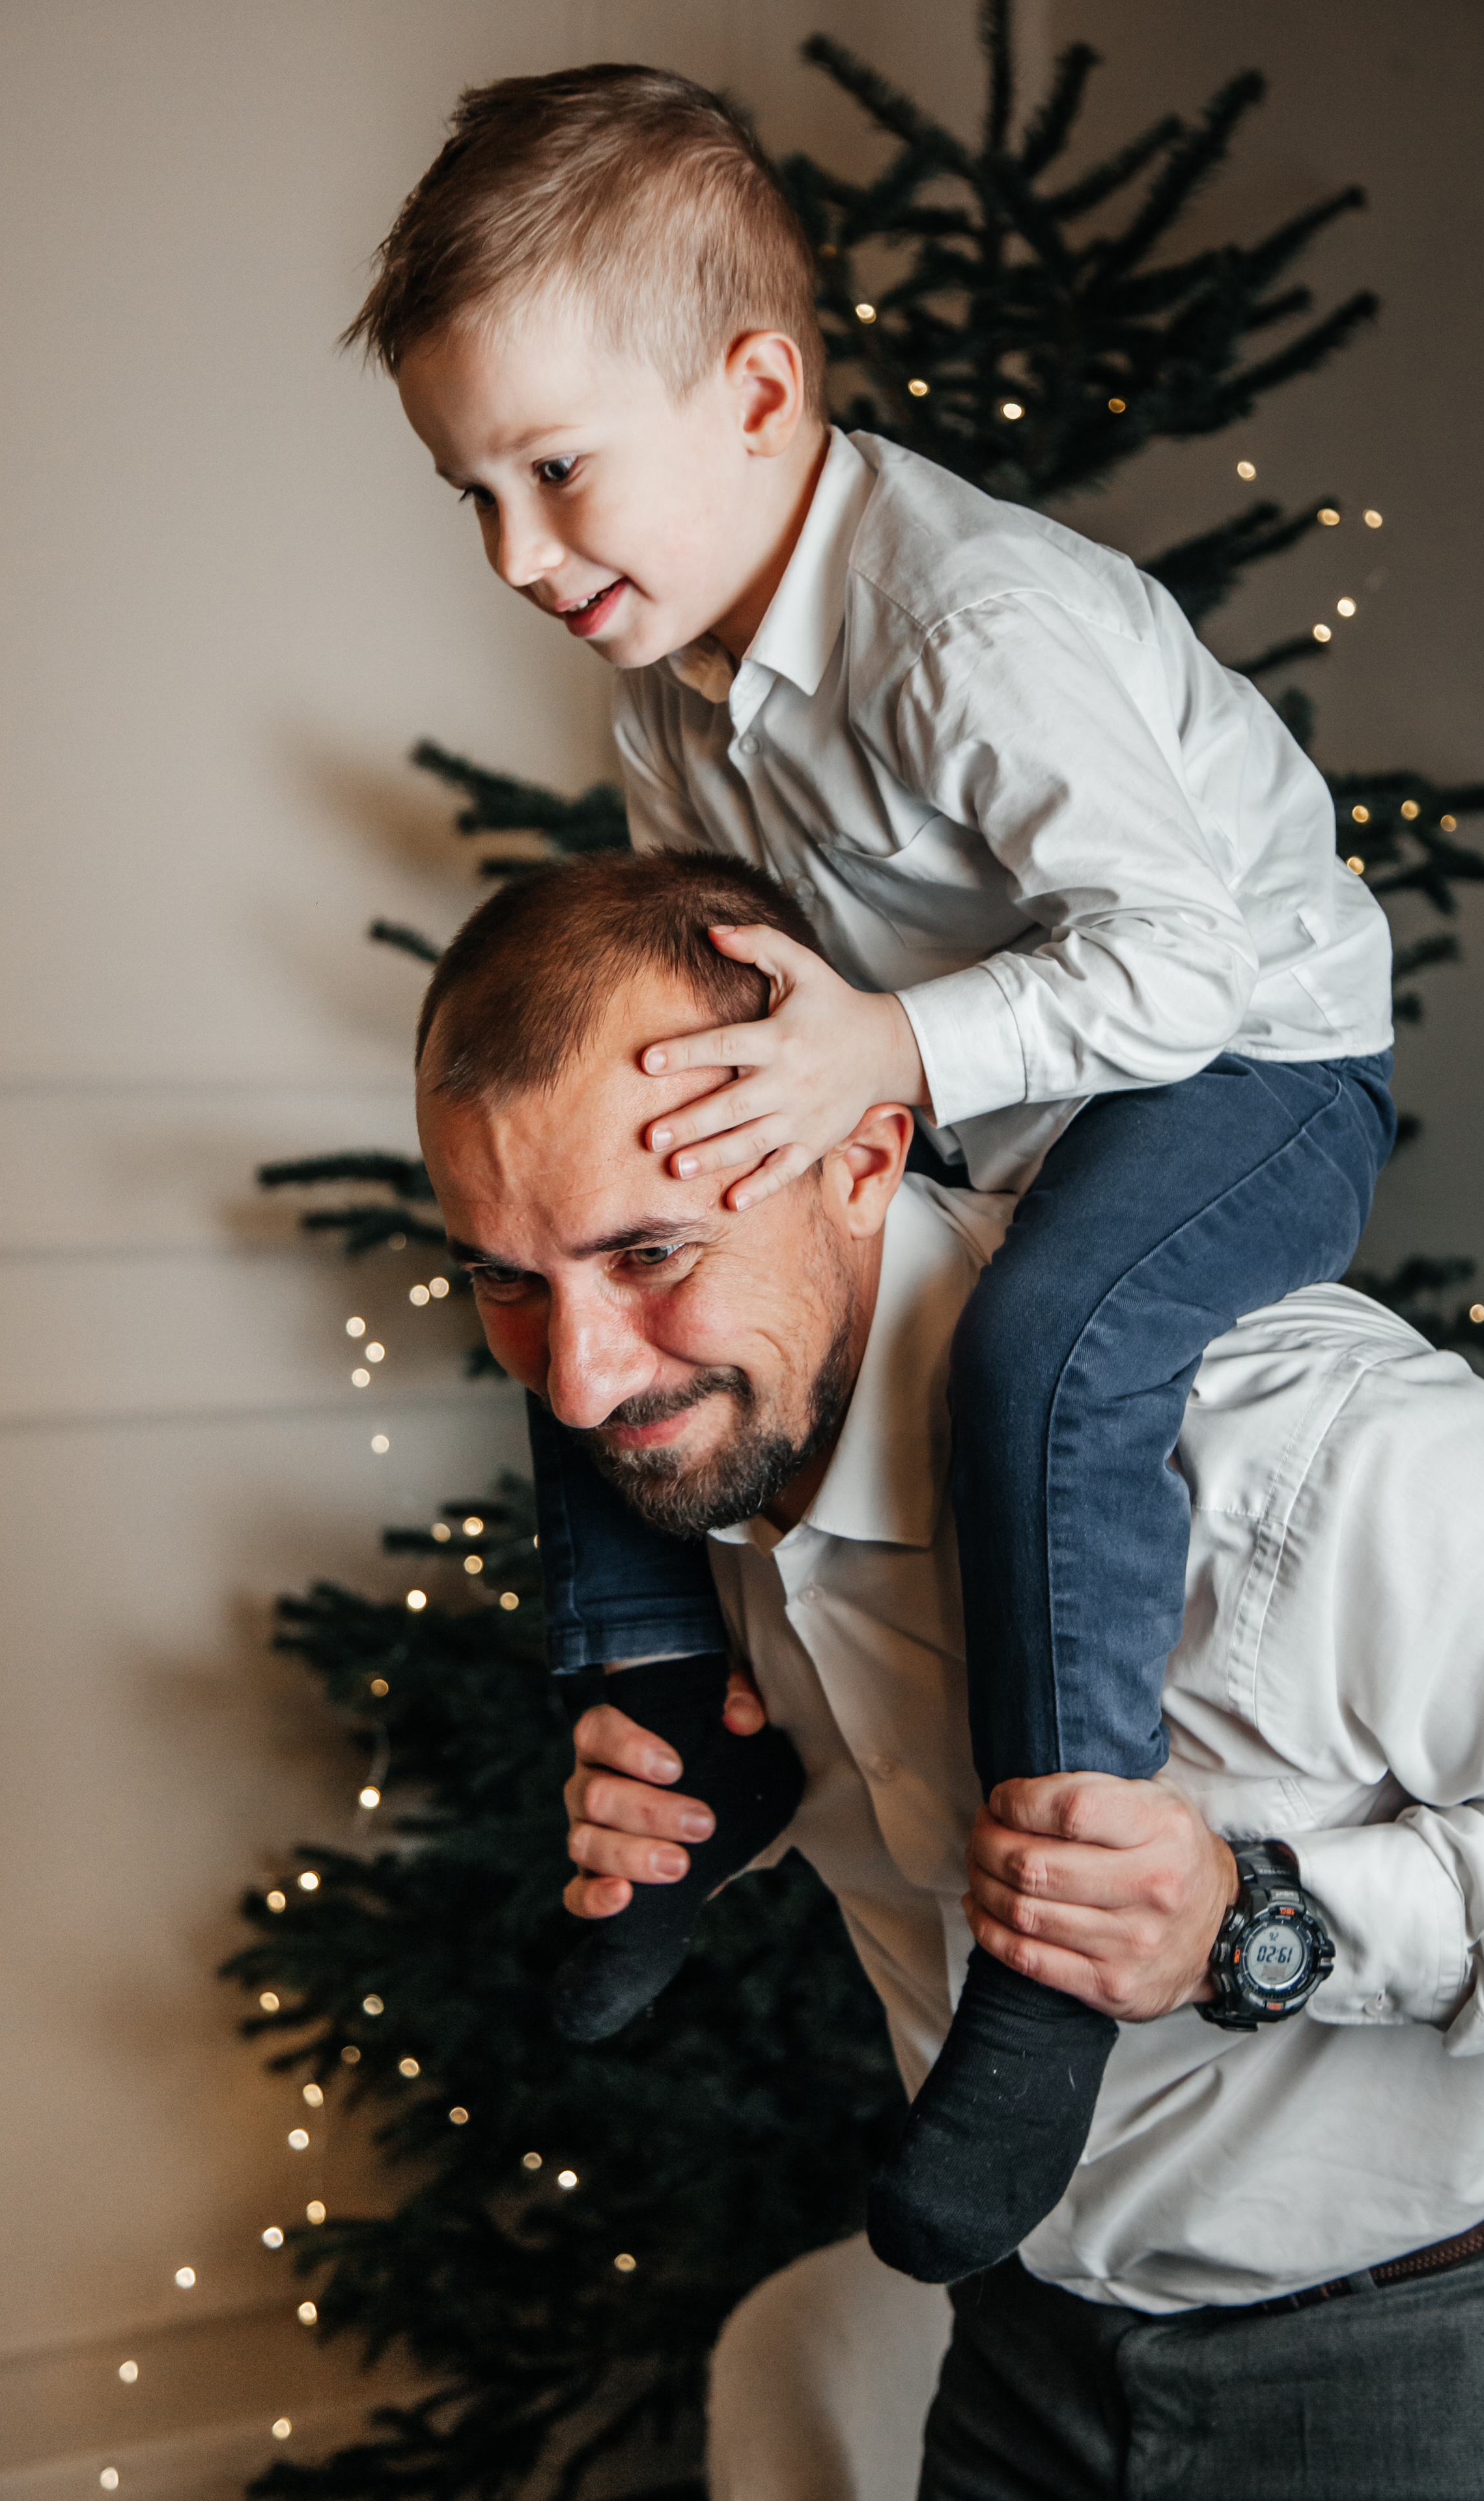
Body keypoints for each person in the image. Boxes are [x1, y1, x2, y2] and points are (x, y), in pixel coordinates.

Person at [348, 61, 1395, 2280]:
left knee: (1043, 1357)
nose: (521, 555)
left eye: (553, 472)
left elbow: (1186, 967)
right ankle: (672, 1726)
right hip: (964, 1089)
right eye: (472, 496)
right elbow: (702, 992)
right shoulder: (672, 693)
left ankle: (1038, 1963)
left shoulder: (966, 628)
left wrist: (898, 1045)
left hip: (1241, 1066)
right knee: (585, 1302)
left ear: (755, 390)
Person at [414, 851, 1484, 2500]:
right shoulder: (714, 1431)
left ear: (861, 1155)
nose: (574, 1384)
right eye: (507, 1279)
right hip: (1016, 2347)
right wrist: (736, 1810)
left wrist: (1256, 1921)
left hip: (1408, 2367)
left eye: (646, 1252)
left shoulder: (1323, 1454)